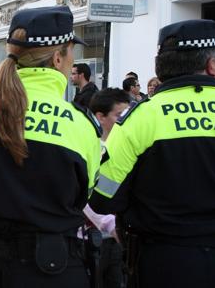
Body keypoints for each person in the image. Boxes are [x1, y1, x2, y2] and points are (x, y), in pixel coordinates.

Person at [89, 19, 215, 288]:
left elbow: (103, 198)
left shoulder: (139, 119)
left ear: (161, 67)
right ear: (212, 65)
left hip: (165, 263)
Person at [0, 6, 101, 287]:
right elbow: (85, 197)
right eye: (71, 52)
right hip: (53, 269)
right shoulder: (80, 125)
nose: (72, 61)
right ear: (58, 58)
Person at [86, 88, 131, 288]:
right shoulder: (91, 147)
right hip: (95, 241)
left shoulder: (131, 147)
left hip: (123, 240)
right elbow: (87, 199)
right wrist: (112, 226)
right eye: (119, 115)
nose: (126, 120)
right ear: (100, 117)